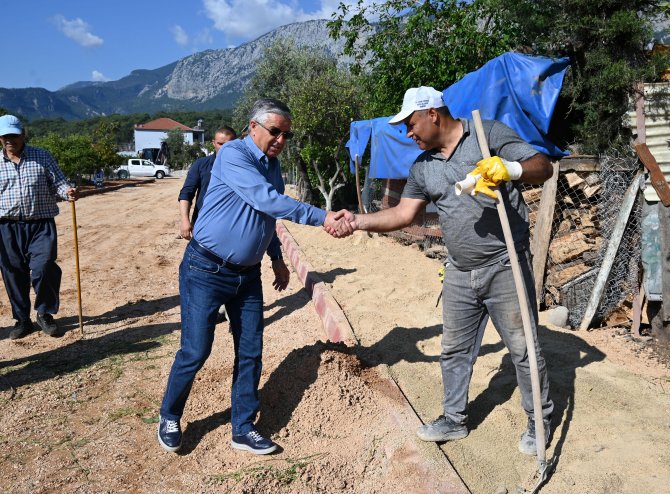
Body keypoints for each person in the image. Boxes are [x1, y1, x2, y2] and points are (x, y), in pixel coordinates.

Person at [333, 87, 555, 456]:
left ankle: (539, 422)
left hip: (504, 265)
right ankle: (453, 420)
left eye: (411, 124)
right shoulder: (423, 167)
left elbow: (542, 168)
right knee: (454, 350)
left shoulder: (488, 136)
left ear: (432, 114)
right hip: (458, 271)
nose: (408, 133)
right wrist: (357, 221)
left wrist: (510, 168)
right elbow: (404, 215)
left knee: (523, 348)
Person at [157, 98, 349, 455]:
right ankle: (170, 414)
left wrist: (276, 258)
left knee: (250, 351)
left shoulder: (272, 166)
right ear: (253, 127)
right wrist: (321, 216)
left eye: (286, 135)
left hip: (247, 276)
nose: (280, 139)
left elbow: (265, 217)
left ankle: (242, 428)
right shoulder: (233, 155)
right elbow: (266, 200)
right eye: (275, 131)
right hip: (205, 269)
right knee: (196, 350)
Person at [0, 114, 78, 339]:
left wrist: (68, 192)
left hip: (40, 224)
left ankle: (44, 313)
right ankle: (22, 320)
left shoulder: (42, 156)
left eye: (14, 135)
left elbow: (60, 183)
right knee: (12, 273)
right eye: (5, 136)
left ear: (23, 134)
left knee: (44, 267)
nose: (9, 140)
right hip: (6, 227)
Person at [177, 126, 237, 240]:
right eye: (220, 144)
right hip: (203, 227)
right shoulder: (200, 165)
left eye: (228, 144)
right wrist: (185, 221)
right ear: (213, 143)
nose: (224, 148)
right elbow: (186, 193)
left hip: (232, 229)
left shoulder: (243, 168)